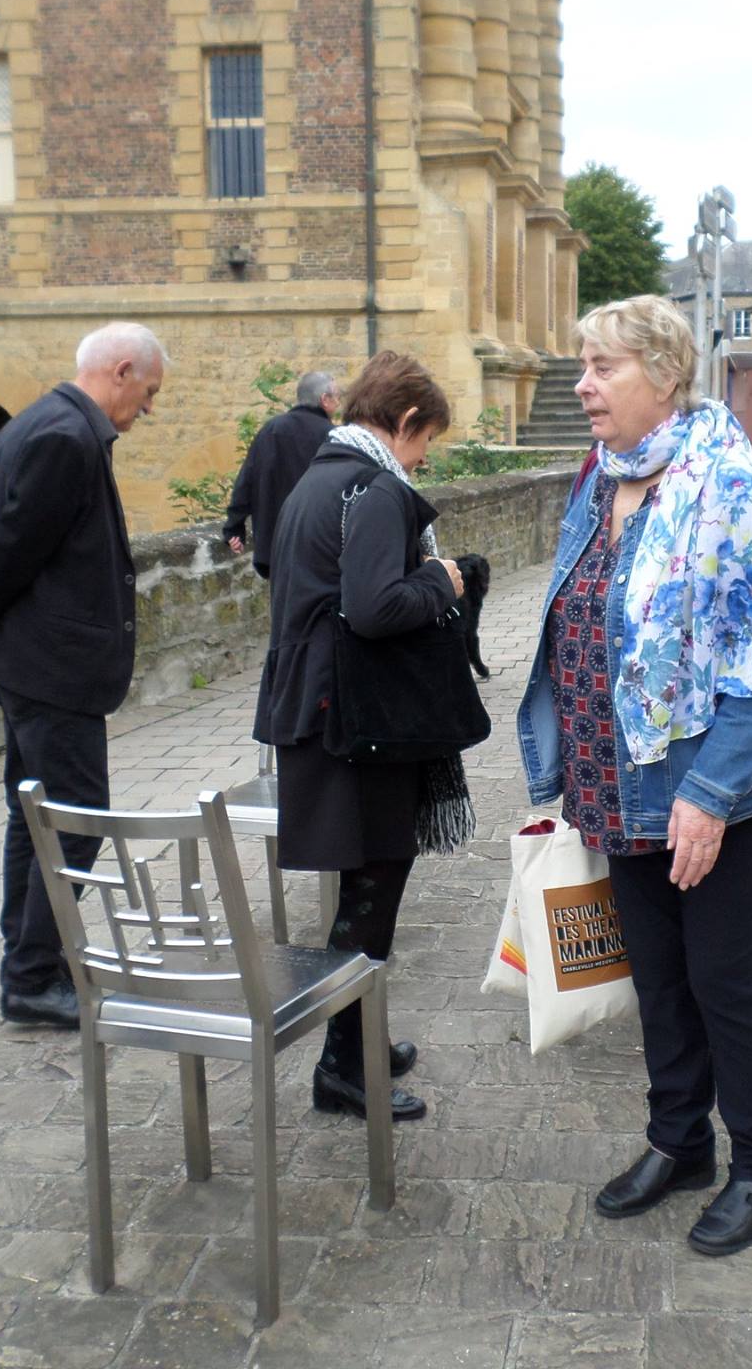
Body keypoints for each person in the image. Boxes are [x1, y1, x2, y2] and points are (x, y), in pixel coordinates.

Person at [515, 295, 752, 1258]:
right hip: (614, 785)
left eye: (603, 367)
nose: (583, 386)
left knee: (723, 979)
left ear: (666, 375)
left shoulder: (731, 486)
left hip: (712, 790)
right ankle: (678, 1142)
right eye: (582, 366)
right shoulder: (598, 479)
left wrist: (710, 795)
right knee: (658, 978)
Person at [0, 322, 167, 1031]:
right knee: (76, 818)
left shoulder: (39, 421)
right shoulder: (66, 437)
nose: (149, 407)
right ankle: (31, 975)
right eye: (149, 391)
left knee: (32, 811)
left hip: (31, 662)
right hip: (50, 668)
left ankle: (31, 959)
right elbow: (8, 548)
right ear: (121, 371)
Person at [253, 350, 466, 1123]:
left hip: (316, 710)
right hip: (353, 722)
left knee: (364, 887)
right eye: (426, 441)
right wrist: (442, 581)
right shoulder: (374, 488)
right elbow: (375, 609)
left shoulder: (318, 478)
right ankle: (343, 1069)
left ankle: (358, 1040)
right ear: (404, 422)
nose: (423, 458)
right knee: (374, 889)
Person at [223, 370, 341, 579]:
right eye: (337, 397)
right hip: (318, 548)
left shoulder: (271, 430)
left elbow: (246, 481)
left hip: (275, 548)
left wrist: (234, 528)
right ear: (324, 399)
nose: (338, 403)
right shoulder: (332, 436)